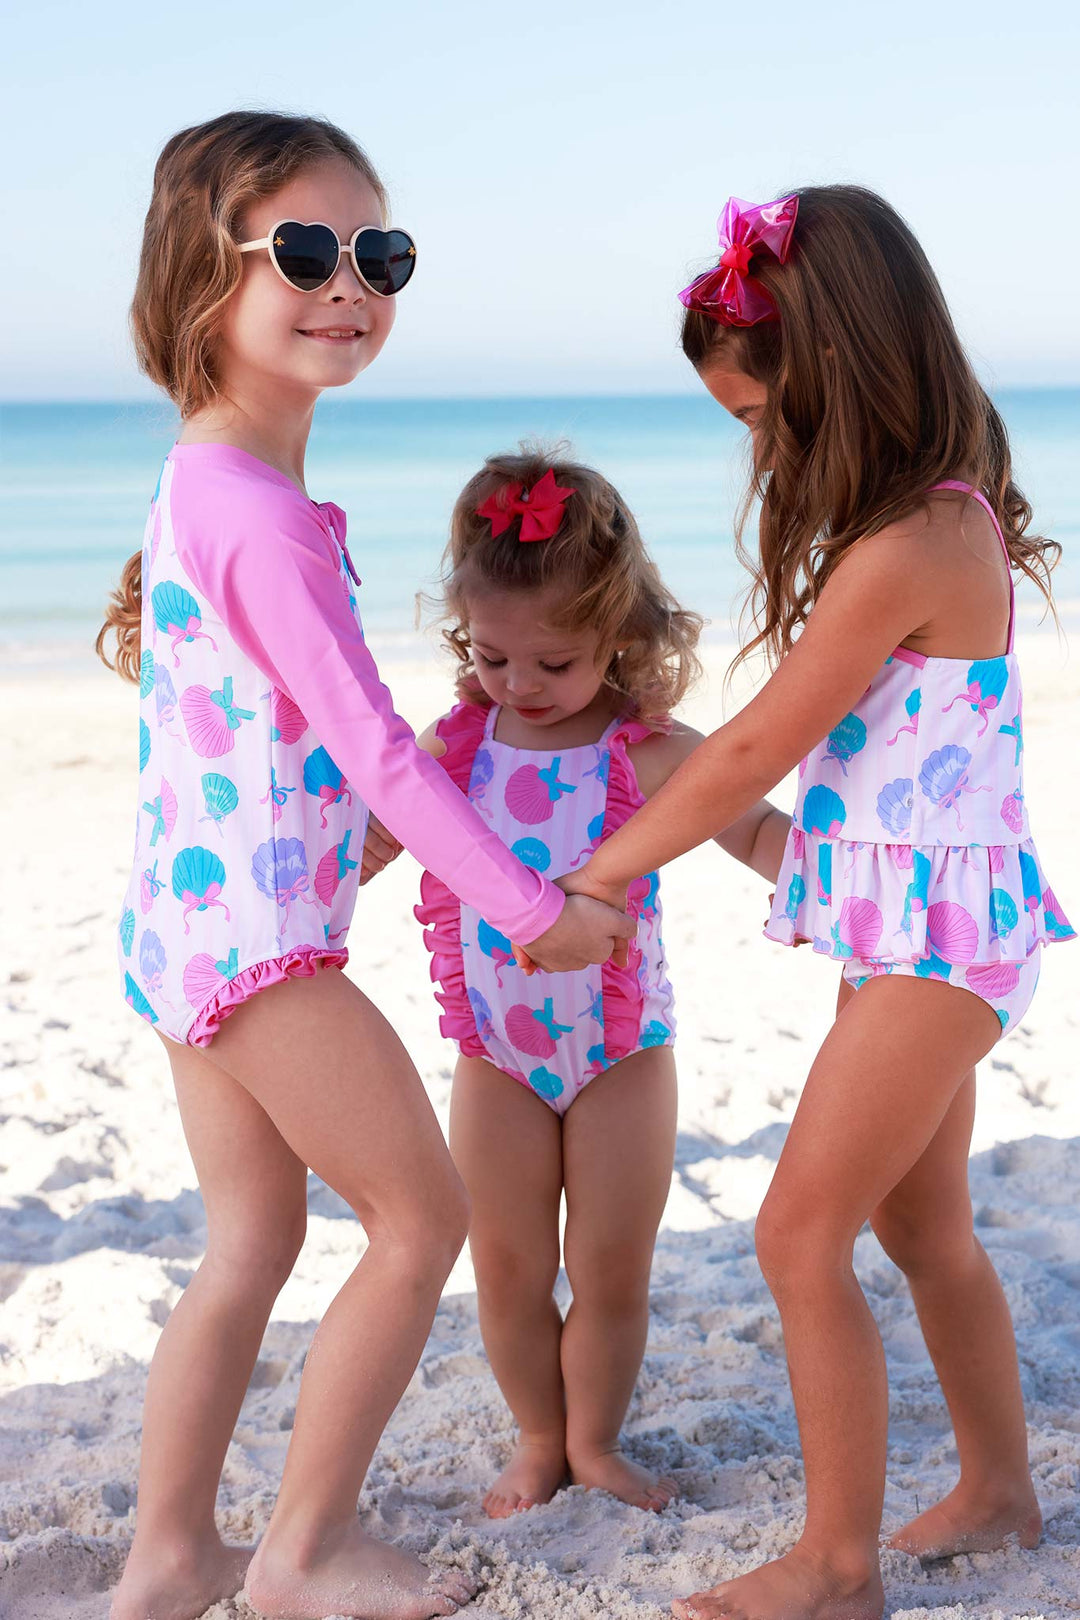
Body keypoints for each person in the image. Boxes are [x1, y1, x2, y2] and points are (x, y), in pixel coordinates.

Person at [97, 110, 632, 1620]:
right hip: (260, 949)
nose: (353, 286)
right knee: (421, 1219)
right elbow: (375, 746)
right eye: (311, 253)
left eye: (379, 255)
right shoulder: (254, 517)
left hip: (192, 930)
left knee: (252, 1240)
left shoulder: (208, 485)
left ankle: (166, 1557)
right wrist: (529, 907)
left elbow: (283, 760)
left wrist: (382, 843)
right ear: (204, 278)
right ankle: (302, 1552)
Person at [558, 188, 1075, 1620]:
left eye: (756, 415)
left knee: (798, 1235)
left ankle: (839, 1569)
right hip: (917, 934)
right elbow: (859, 808)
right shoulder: (926, 528)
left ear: (835, 373)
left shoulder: (911, 549)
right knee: (926, 1231)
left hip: (942, 957)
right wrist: (684, 796)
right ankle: (997, 1492)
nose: (759, 444)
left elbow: (751, 751)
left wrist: (604, 867)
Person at [407, 449, 788, 1518]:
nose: (519, 684)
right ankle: (538, 1439)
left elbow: (751, 819)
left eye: (554, 663)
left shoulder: (646, 749)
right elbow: (383, 829)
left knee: (612, 1264)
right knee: (510, 1267)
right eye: (493, 657)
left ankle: (597, 1440)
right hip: (497, 1056)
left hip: (622, 1056)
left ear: (618, 638)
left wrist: (833, 883)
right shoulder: (458, 746)